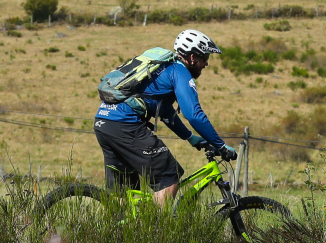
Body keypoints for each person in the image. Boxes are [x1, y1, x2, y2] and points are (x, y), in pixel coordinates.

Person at [93, 29, 237, 206]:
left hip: (104, 122)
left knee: (126, 192)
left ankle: (117, 230)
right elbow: (194, 116)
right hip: (126, 125)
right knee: (169, 176)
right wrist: (220, 145)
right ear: (192, 57)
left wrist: (190, 137)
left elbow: (165, 111)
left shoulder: (161, 68)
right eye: (205, 58)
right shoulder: (179, 71)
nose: (206, 64)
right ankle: (156, 231)